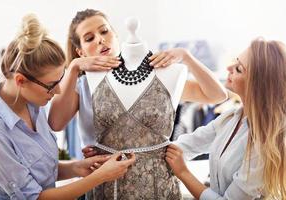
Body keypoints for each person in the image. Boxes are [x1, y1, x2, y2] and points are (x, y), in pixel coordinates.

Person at [48, 9, 227, 199]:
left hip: (157, 183)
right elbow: (55, 123)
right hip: (104, 182)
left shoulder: (159, 76)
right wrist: (74, 67)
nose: (100, 40)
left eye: (104, 31)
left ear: (115, 35)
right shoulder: (82, 84)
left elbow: (217, 95)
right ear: (80, 51)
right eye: (89, 38)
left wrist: (186, 57)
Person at [0, 14, 135, 200]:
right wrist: (100, 177)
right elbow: (34, 197)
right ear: (21, 81)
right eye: (52, 85)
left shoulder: (34, 103)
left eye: (60, 80)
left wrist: (76, 168)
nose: (58, 90)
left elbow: (38, 171)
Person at [166, 38, 286, 199]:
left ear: (256, 85)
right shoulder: (231, 117)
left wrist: (183, 173)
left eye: (239, 69)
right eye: (235, 61)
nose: (228, 68)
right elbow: (189, 144)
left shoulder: (264, 144)